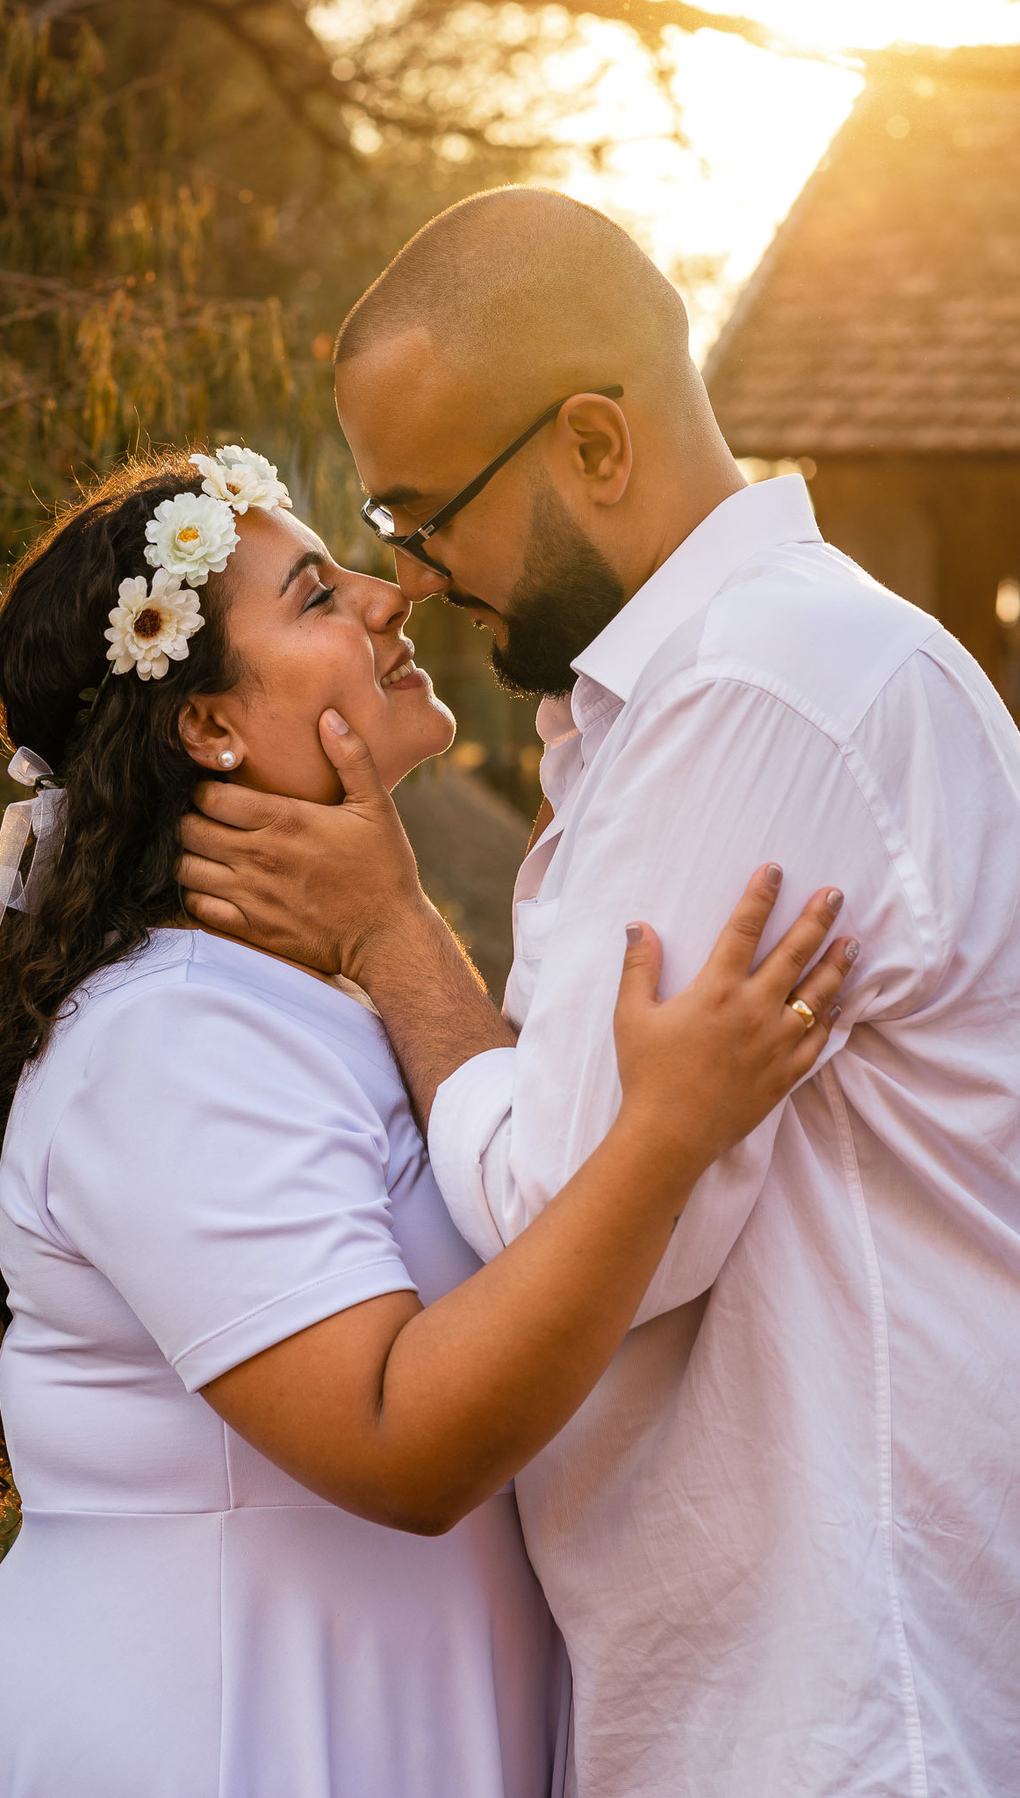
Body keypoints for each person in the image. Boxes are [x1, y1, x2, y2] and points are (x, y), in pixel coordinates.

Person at [178, 189, 1020, 1798]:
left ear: (594, 444)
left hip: (844, 1707)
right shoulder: (693, 697)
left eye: (423, 515)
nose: (410, 579)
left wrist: (393, 933)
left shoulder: (760, 693)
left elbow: (567, 1219)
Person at [0, 448, 852, 1798]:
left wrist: (400, 939)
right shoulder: (172, 1036)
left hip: (369, 1715)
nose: (389, 594)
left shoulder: (308, 999)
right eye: (316, 594)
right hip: (216, 1732)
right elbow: (400, 1442)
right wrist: (668, 1132)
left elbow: (514, 1202)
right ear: (210, 727)